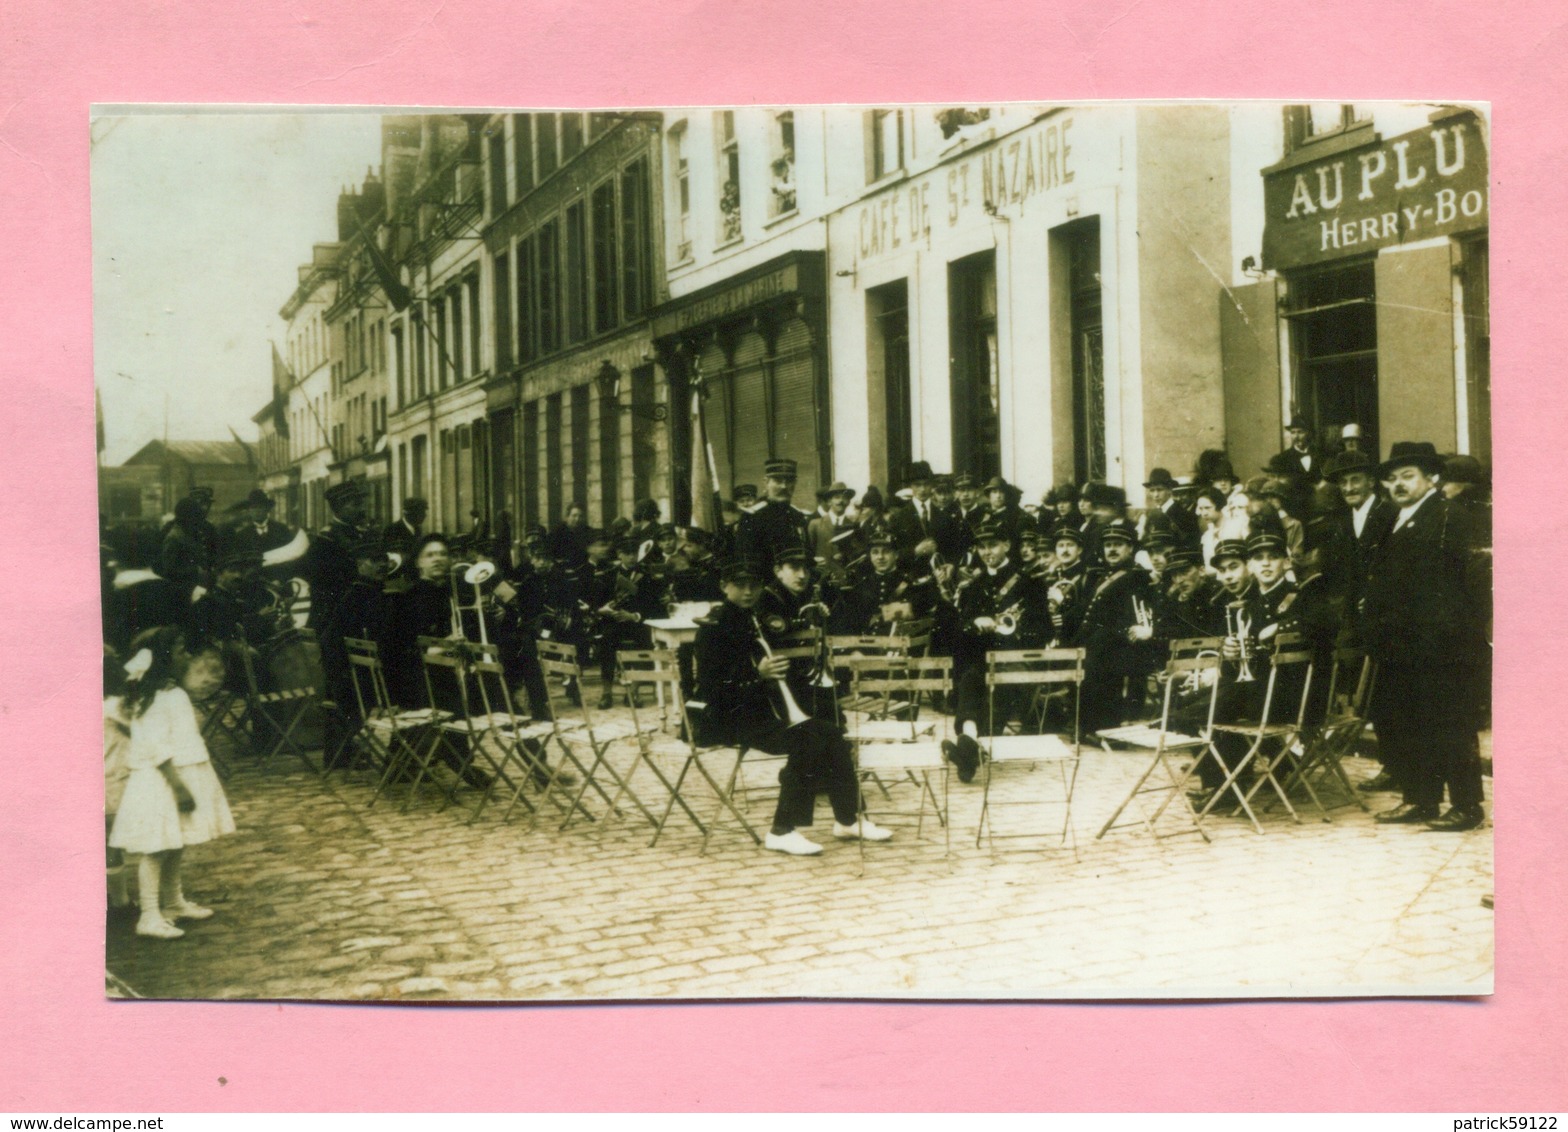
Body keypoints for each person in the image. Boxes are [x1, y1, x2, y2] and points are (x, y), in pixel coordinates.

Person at [693, 559, 891, 855]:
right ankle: (781, 830)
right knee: (808, 738)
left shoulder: (751, 618)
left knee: (831, 732)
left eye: (754, 586)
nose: (748, 592)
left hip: (757, 712)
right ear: (724, 587)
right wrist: (756, 675)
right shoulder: (714, 628)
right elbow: (710, 685)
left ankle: (848, 819)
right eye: (740, 586)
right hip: (724, 718)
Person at [1363, 442, 1490, 832]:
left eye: (1408, 476)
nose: (1398, 485)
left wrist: (1449, 637)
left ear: (1430, 478)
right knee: (1409, 723)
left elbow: (1467, 584)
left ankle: (1467, 807)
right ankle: (1420, 799)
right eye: (1392, 478)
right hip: (1402, 646)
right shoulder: (1392, 518)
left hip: (1442, 646)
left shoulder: (1449, 516)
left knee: (1450, 724)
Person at [107, 627, 236, 939]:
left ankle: (173, 902)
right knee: (157, 846)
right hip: (162, 780)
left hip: (184, 771)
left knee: (177, 842)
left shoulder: (171, 692)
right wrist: (177, 786)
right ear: (164, 658)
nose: (187, 656)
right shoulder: (153, 697)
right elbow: (154, 744)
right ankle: (149, 916)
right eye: (180, 651)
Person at [941, 520, 1050, 782]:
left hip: (1015, 658)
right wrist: (975, 623)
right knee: (971, 677)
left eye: (993, 545)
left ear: (1007, 546)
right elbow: (961, 625)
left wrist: (1014, 628)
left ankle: (968, 744)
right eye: (982, 547)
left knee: (983, 681)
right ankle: (969, 744)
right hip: (981, 659)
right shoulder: (973, 584)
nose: (987, 552)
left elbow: (1044, 628)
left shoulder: (1028, 582)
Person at [1071, 518, 1162, 734]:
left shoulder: (1138, 577)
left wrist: (1105, 635)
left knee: (1100, 662)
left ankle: (1103, 728)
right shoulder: (1102, 575)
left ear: (1130, 548)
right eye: (1108, 545)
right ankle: (1087, 727)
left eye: (1118, 544)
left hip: (1122, 646)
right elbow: (1086, 609)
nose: (1112, 549)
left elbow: (1137, 616)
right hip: (1098, 643)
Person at [735, 458, 813, 574]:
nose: (784, 486)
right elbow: (747, 563)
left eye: (789, 481)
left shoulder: (799, 517)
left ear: (795, 483)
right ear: (766, 483)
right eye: (777, 481)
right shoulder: (752, 517)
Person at [1268, 414, 1322, 481]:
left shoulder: (1321, 454)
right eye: (1293, 432)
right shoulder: (1281, 459)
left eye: (1300, 432)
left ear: (1309, 434)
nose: (1296, 437)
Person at [548, 502, 592, 569]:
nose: (577, 519)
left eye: (581, 516)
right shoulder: (556, 532)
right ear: (567, 517)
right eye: (574, 515)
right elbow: (550, 555)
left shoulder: (588, 531)